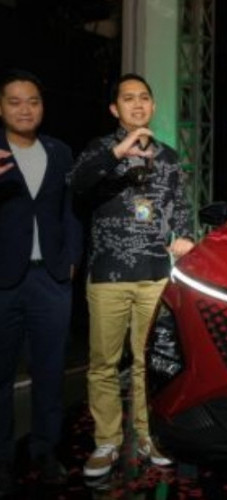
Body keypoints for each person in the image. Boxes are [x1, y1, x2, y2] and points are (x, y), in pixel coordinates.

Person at [70, 73, 194, 478]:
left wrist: (186, 235)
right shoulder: (99, 149)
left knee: (148, 363)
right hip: (108, 273)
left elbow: (181, 207)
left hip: (154, 274)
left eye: (144, 98)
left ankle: (147, 435)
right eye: (128, 98)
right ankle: (106, 441)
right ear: (114, 109)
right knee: (104, 364)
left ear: (153, 106)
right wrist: (118, 152)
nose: (137, 104)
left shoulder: (168, 157)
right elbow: (77, 185)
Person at [0, 69, 81, 493]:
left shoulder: (60, 151)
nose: (25, 109)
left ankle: (45, 451)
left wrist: (71, 259)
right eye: (15, 102)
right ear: (1, 108)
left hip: (50, 279)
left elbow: (71, 210)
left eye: (32, 101)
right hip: (3, 281)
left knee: (50, 372)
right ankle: (2, 460)